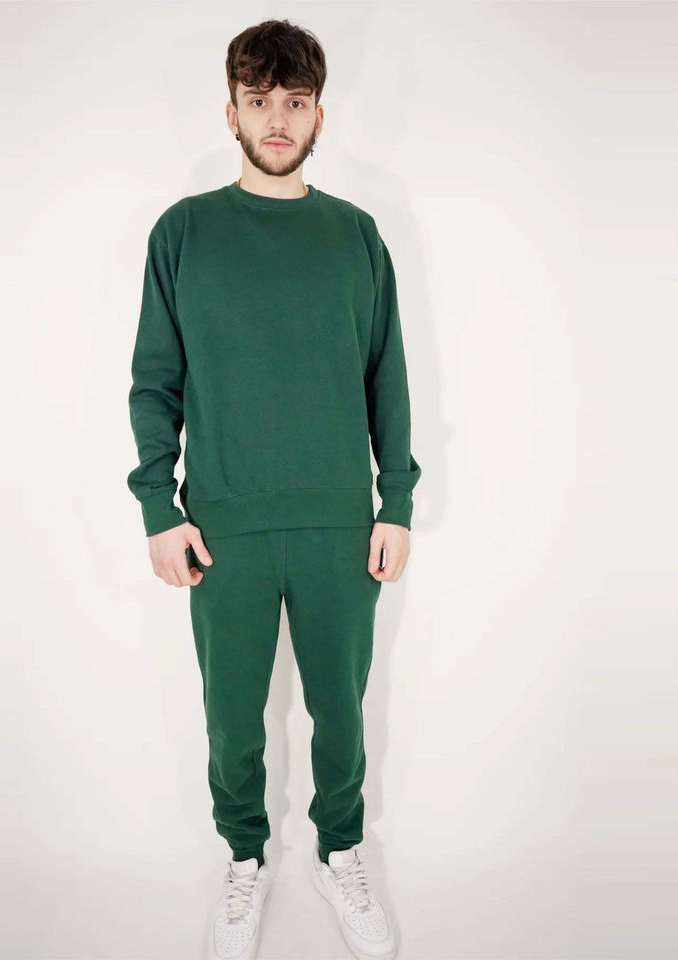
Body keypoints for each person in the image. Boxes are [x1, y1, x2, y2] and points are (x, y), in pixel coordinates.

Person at [127, 18, 420, 960]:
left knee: (343, 712)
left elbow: (387, 379)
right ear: (232, 113)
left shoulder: (356, 235)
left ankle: (341, 853)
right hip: (224, 528)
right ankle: (245, 857)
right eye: (260, 101)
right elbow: (154, 382)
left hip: (339, 525)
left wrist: (396, 502)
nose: (278, 118)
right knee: (231, 720)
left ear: (320, 114)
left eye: (296, 101)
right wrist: (160, 508)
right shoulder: (184, 233)